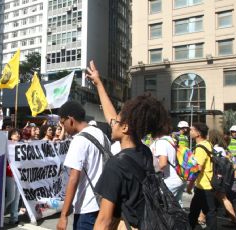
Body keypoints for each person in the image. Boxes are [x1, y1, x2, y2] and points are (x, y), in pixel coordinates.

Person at [85, 61, 169, 229]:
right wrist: (98, 83)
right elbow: (112, 116)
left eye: (116, 121)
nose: (111, 121)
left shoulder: (116, 164)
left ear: (125, 127)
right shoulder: (144, 152)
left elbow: (104, 221)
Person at [56, 100, 111, 230]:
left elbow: (73, 178)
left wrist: (63, 215)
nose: (64, 127)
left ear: (70, 120)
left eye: (63, 123)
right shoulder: (102, 135)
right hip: (105, 204)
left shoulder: (79, 140)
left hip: (86, 207)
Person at [187, 122, 216, 230]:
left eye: (192, 130)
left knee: (209, 212)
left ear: (198, 133)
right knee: (195, 209)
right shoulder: (208, 144)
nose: (190, 132)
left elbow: (197, 169)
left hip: (205, 185)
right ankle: (190, 226)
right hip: (203, 184)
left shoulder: (200, 148)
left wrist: (189, 184)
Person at [208, 129, 236, 228]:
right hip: (226, 178)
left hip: (220, 178)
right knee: (218, 197)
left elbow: (216, 164)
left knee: (223, 198)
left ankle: (234, 221)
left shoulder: (217, 149)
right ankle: (201, 217)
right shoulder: (225, 149)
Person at [6, 128, 22, 225]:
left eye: (19, 134)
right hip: (10, 174)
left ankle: (14, 218)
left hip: (19, 175)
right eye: (15, 134)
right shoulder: (7, 144)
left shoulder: (22, 145)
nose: (18, 135)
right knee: (11, 197)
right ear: (10, 136)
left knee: (17, 198)